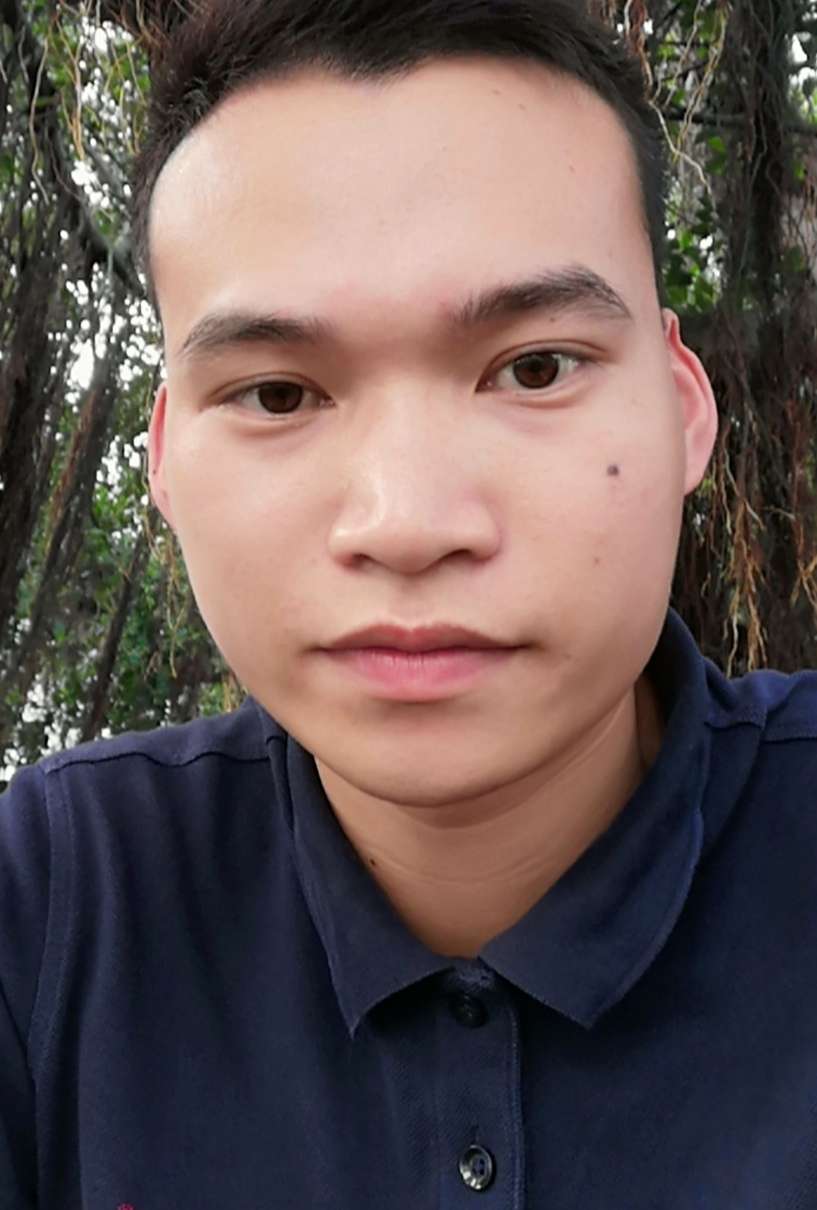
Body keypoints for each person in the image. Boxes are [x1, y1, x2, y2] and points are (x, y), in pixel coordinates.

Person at [2, 0, 816, 1205]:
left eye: (534, 368)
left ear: (685, 408)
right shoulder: (56, 901)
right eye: (278, 394)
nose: (408, 523)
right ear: (163, 459)